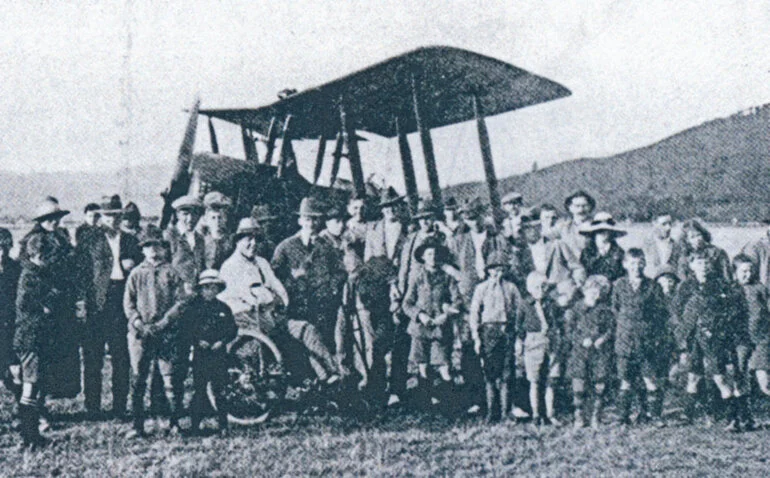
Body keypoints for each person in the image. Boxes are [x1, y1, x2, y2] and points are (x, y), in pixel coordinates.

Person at [220, 218, 339, 384]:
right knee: (287, 340)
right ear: (238, 241)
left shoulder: (261, 263)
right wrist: (269, 297)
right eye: (248, 239)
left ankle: (331, 375)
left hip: (271, 317)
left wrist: (275, 299)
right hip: (248, 321)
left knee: (307, 329)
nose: (253, 244)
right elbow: (251, 296)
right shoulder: (230, 267)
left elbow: (280, 290)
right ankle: (317, 378)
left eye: (256, 239)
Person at [77, 195, 141, 418]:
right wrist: (82, 303)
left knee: (121, 357)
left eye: (116, 216)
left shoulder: (131, 241)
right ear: (101, 217)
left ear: (121, 216)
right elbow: (82, 274)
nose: (112, 220)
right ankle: (93, 408)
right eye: (107, 216)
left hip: (120, 302)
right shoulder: (88, 239)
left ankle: (120, 407)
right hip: (96, 303)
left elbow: (138, 274)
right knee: (93, 359)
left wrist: (130, 266)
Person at [123, 228, 185, 438]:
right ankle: (137, 425)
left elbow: (180, 302)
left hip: (166, 333)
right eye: (148, 247)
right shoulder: (136, 274)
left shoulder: (172, 272)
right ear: (142, 250)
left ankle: (174, 423)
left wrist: (165, 322)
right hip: (141, 333)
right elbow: (128, 304)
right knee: (139, 378)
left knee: (170, 378)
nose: (154, 251)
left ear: (164, 248)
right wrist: (138, 323)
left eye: (157, 246)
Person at [162, 270, 237, 436]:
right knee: (199, 390)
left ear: (218, 290)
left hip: (219, 355)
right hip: (201, 355)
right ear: (201, 290)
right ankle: (195, 425)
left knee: (220, 391)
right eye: (206, 288)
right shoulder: (193, 310)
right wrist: (198, 341)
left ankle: (223, 425)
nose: (209, 291)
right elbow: (187, 329)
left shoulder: (224, 308)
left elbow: (232, 329)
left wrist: (221, 341)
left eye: (213, 288)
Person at [672, 250, 740, 426]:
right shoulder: (685, 286)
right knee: (693, 375)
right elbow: (677, 311)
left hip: (713, 337)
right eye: (699, 263)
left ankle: (733, 417)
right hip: (693, 337)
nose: (703, 267)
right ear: (691, 265)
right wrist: (684, 333)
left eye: (706, 263)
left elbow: (730, 311)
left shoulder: (719, 285)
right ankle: (688, 414)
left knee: (720, 377)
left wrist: (717, 329)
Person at [272, 197, 346, 349]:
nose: (311, 224)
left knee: (326, 346)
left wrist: (332, 286)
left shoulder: (326, 247)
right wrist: (292, 280)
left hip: (323, 308)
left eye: (315, 220)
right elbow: (273, 279)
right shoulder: (285, 247)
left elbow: (340, 271)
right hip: (297, 308)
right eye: (307, 219)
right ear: (300, 221)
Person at [611, 248, 669, 427]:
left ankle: (655, 416)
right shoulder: (619, 285)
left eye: (639, 263)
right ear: (625, 264)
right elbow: (615, 310)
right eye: (632, 263)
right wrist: (623, 329)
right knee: (625, 380)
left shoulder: (652, 286)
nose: (636, 267)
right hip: (625, 340)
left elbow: (660, 314)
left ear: (644, 264)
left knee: (649, 379)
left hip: (646, 341)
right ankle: (623, 417)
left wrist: (655, 336)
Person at [402, 237, 462, 404]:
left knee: (443, 364)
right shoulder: (417, 276)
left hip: (440, 328)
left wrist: (447, 314)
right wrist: (420, 315)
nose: (432, 258)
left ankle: (450, 402)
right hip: (420, 328)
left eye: (435, 254)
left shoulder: (447, 277)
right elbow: (407, 303)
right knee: (422, 364)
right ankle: (425, 401)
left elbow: (457, 300)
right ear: (423, 257)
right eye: (428, 254)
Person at [335, 245, 397, 404]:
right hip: (348, 314)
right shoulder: (345, 279)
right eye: (346, 259)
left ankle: (371, 385)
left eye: (352, 258)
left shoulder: (369, 274)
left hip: (364, 313)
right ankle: (353, 382)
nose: (349, 262)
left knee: (368, 347)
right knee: (346, 346)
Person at [468, 251, 522, 423]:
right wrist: (476, 338)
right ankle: (492, 412)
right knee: (490, 374)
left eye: (501, 269)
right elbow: (474, 314)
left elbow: (520, 311)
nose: (497, 273)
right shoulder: (481, 289)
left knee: (507, 373)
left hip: (506, 331)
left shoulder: (511, 288)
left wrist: (518, 335)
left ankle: (506, 412)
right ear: (488, 270)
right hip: (488, 332)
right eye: (494, 269)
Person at [13, 234, 56, 448]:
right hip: (31, 338)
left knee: (34, 384)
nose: (51, 260)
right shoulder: (30, 275)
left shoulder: (36, 273)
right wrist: (44, 307)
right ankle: (29, 437)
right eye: (49, 256)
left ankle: (31, 435)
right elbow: (23, 304)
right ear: (39, 255)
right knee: (29, 387)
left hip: (35, 338)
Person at [567, 275, 614, 429]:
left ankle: (595, 416)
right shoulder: (576, 309)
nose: (596, 295)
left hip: (599, 353)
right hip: (580, 353)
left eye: (599, 292)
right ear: (585, 290)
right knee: (579, 385)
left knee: (599, 385)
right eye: (592, 291)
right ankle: (579, 416)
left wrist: (602, 339)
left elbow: (611, 329)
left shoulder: (605, 310)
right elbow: (569, 330)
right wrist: (581, 340)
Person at [518, 271, 564, 427]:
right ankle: (536, 414)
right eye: (537, 287)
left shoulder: (551, 304)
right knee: (534, 380)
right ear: (529, 288)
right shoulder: (525, 304)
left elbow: (559, 322)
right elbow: (519, 326)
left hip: (551, 341)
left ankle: (551, 413)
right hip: (533, 341)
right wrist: (521, 342)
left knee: (552, 379)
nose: (541, 290)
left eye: (544, 287)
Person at [730, 254, 762, 430]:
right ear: (734, 272)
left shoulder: (759, 289)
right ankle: (738, 416)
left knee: (748, 376)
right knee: (738, 375)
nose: (747, 274)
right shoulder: (730, 290)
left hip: (756, 338)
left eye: (750, 270)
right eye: (743, 271)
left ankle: (746, 416)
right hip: (737, 339)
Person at [520, 207, 584, 287]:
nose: (530, 231)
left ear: (540, 227)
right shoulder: (521, 252)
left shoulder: (557, 244)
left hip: (559, 290)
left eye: (534, 227)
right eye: (526, 228)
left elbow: (577, 268)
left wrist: (577, 284)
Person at [164, 195, 206, 295]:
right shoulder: (169, 236)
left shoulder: (199, 238)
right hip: (175, 291)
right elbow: (164, 266)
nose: (190, 219)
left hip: (195, 290)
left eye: (195, 214)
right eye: (185, 214)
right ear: (178, 215)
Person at [0, 229, 21, 394]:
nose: (1, 252)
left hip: (11, 323)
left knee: (15, 367)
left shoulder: (15, 269)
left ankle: (26, 409)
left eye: (5, 248)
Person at [364, 187, 408, 264]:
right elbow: (368, 258)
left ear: (399, 206)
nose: (390, 209)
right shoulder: (373, 230)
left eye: (394, 205)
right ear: (382, 209)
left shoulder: (407, 228)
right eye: (387, 206)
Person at [579, 212, 626, 283]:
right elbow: (583, 271)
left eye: (607, 231)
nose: (603, 233)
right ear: (593, 233)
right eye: (599, 231)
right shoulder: (587, 252)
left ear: (611, 233)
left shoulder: (619, 252)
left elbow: (622, 274)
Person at [198, 191, 234, 270]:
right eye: (213, 218)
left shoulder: (231, 241)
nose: (217, 222)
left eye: (220, 218)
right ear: (206, 220)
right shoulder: (200, 240)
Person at [558, 190, 596, 259]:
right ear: (570, 208)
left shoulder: (597, 226)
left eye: (584, 206)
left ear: (590, 207)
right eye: (577, 206)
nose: (581, 210)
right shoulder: (564, 227)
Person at [642, 214, 682, 279]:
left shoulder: (676, 245)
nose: (668, 228)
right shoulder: (646, 244)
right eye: (664, 224)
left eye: (670, 224)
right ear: (654, 224)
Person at [345, 194, 368, 259]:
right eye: (355, 208)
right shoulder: (345, 226)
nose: (359, 211)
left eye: (362, 208)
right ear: (348, 208)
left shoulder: (370, 225)